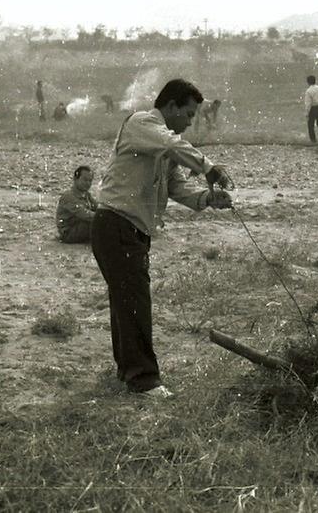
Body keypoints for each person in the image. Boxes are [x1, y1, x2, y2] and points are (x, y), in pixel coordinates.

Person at [91, 78, 234, 398]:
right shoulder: (142, 123)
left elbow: (179, 188)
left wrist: (209, 199)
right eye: (188, 114)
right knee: (134, 304)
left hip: (132, 230)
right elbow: (171, 145)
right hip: (115, 224)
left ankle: (128, 372)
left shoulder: (164, 147)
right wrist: (209, 167)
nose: (190, 121)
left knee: (126, 303)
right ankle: (144, 382)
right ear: (170, 107)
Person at [56, 166, 98, 243]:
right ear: (75, 179)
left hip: (79, 227)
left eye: (90, 180)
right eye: (85, 180)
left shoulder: (86, 195)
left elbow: (98, 208)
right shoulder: (68, 196)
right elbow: (85, 214)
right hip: (68, 233)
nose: (88, 183)